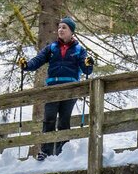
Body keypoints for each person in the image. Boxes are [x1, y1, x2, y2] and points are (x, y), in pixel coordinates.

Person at [17, 16, 94, 159]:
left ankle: (62, 152)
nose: (60, 30)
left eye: (64, 27)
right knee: (49, 118)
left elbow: (87, 70)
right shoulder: (51, 48)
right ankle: (45, 151)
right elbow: (37, 60)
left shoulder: (78, 50)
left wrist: (89, 63)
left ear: (72, 32)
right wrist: (26, 65)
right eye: (59, 27)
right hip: (52, 88)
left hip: (70, 88)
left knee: (64, 120)